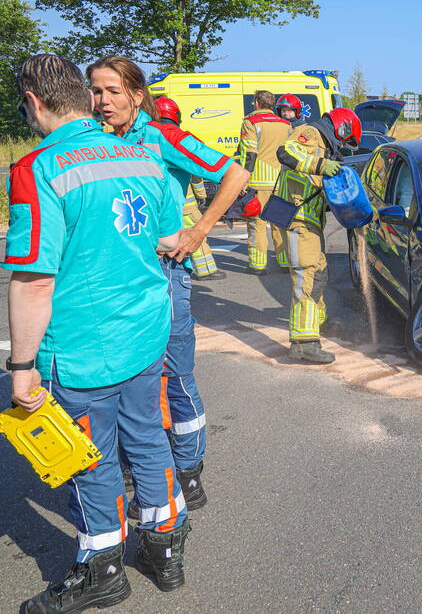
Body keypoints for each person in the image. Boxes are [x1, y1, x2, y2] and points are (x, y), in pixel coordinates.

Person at [8, 54, 191, 611]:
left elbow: (35, 280)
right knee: (147, 437)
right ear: (86, 98)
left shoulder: (39, 166)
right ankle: (164, 549)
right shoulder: (141, 152)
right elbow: (169, 235)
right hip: (145, 330)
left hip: (86, 347)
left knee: (89, 459)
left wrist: (21, 368)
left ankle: (103, 567)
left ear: (34, 103)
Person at [88, 56, 250, 513]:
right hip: (116, 279)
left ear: (137, 95)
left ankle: (188, 469)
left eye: (113, 91)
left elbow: (234, 173)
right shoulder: (96, 141)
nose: (103, 101)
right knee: (124, 378)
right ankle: (139, 466)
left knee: (174, 375)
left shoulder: (159, 136)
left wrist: (198, 232)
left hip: (164, 272)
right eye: (96, 91)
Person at [276, 108, 361, 363]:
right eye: (346, 141)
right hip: (298, 220)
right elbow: (286, 152)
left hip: (308, 221)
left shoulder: (322, 143)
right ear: (342, 127)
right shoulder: (310, 132)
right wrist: (323, 166)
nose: (343, 147)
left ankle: (316, 324)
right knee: (308, 278)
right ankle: (303, 343)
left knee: (319, 274)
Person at [155, 95, 224, 280]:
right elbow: (195, 174)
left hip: (160, 208)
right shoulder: (177, 139)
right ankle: (207, 270)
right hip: (186, 203)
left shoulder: (147, 139)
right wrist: (202, 194)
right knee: (195, 236)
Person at [239, 90, 292, 274]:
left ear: (256, 103)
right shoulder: (286, 124)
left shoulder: (250, 122)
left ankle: (258, 265)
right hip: (281, 182)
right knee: (280, 223)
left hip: (258, 182)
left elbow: (249, 154)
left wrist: (243, 180)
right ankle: (285, 262)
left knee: (257, 225)